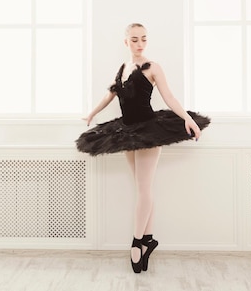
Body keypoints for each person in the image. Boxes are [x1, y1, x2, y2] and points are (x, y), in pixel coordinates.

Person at [75, 23, 210, 274]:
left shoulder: (153, 68)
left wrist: (187, 118)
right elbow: (110, 95)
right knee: (141, 189)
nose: (140, 44)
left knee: (144, 189)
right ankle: (147, 239)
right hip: (127, 132)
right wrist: (92, 113)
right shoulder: (123, 69)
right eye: (135, 40)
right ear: (126, 42)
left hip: (148, 131)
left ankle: (137, 243)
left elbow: (169, 96)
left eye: (143, 39)